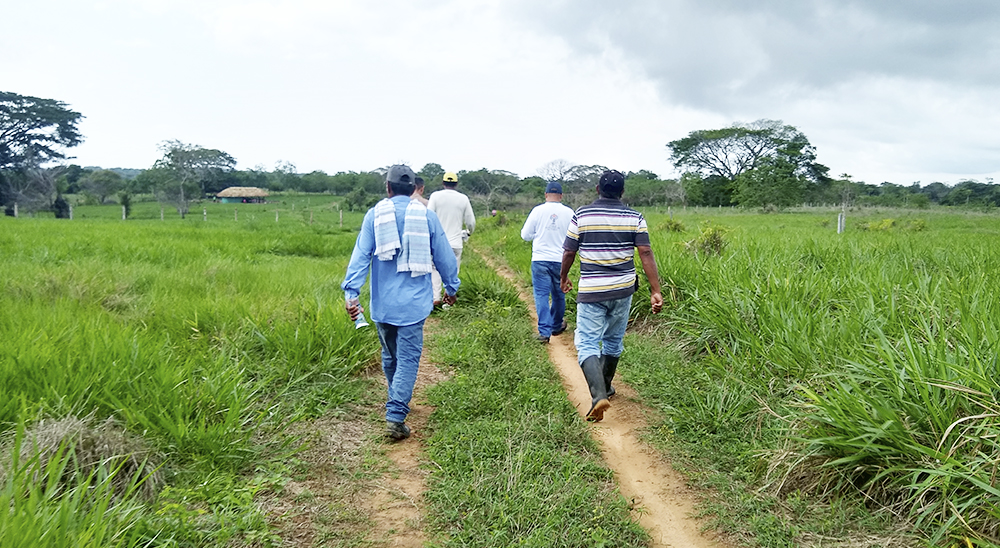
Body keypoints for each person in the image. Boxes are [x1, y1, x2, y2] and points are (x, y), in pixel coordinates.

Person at [342, 165, 460, 440]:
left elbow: (360, 256)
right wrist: (451, 288)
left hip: (382, 304)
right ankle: (395, 414)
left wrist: (352, 294)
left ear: (388, 188)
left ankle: (396, 398)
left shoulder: (374, 215)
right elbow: (443, 256)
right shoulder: (427, 217)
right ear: (414, 190)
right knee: (407, 358)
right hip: (413, 305)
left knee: (390, 355)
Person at [560, 170, 663, 422]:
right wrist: (655, 290)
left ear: (597, 189)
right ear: (622, 192)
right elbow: (645, 252)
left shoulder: (581, 215)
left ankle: (598, 396)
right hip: (623, 289)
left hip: (592, 290)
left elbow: (569, 252)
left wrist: (563, 277)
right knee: (613, 341)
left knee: (586, 343)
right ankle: (606, 387)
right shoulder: (634, 217)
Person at [520, 181, 574, 343]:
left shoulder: (537, 211)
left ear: (545, 195)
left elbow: (525, 235)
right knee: (559, 294)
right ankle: (556, 324)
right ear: (561, 196)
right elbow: (574, 237)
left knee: (541, 295)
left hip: (540, 259)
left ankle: (544, 332)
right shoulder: (569, 212)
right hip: (560, 260)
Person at [428, 171, 476, 305]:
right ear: (456, 184)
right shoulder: (463, 198)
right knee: (452, 272)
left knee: (434, 269)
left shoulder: (435, 196)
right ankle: (449, 297)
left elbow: (429, 217)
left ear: (443, 183)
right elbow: (471, 221)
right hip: (455, 242)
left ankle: (435, 297)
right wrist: (468, 232)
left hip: (437, 242)